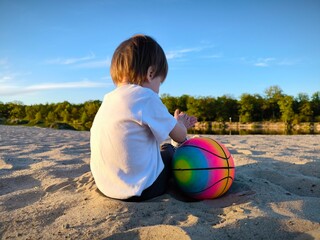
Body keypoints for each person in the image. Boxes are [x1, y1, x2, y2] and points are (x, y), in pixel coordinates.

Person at [90, 34, 197, 201]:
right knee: (169, 150)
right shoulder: (146, 96)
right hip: (144, 188)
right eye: (159, 83)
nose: (158, 90)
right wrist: (179, 123)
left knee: (160, 150)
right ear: (151, 73)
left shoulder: (108, 99)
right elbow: (180, 135)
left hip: (106, 186)